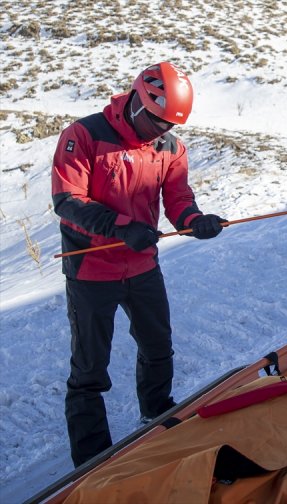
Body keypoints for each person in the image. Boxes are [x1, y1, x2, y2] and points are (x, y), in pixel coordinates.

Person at [51, 61, 227, 467]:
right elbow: (68, 200)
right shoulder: (85, 134)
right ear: (137, 100)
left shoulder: (170, 148)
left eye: (168, 125)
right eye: (156, 122)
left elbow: (178, 200)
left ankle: (156, 416)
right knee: (90, 370)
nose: (161, 131)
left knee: (158, 348)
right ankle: (91, 463)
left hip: (143, 265)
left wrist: (193, 222)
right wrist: (121, 227)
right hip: (92, 269)